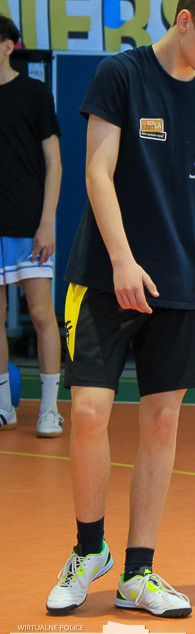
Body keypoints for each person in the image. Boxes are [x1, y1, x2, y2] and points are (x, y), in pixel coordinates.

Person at [45, 0, 195, 618]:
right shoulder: (121, 74)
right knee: (87, 413)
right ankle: (89, 551)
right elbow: (97, 170)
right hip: (105, 278)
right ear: (184, 20)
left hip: (179, 283)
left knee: (161, 422)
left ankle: (139, 572)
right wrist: (120, 258)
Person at [0, 15, 64, 437]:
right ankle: (3, 406)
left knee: (42, 315)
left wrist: (47, 223)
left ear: (8, 45)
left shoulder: (35, 94)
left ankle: (49, 409)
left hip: (27, 224)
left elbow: (54, 164)